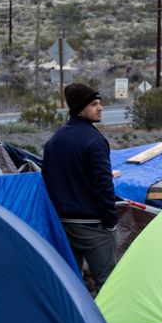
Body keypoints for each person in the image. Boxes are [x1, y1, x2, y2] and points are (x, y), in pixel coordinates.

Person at [42, 83, 117, 293]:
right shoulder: (95, 141)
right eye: (94, 104)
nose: (100, 108)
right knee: (108, 285)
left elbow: (47, 181)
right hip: (93, 225)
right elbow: (103, 185)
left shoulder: (54, 141)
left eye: (100, 103)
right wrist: (110, 221)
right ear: (79, 108)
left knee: (70, 284)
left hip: (64, 224)